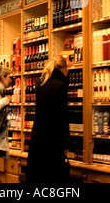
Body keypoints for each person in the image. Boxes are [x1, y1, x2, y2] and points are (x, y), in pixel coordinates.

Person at [26, 55, 70, 184]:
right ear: (64, 69)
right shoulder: (60, 85)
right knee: (52, 178)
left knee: (38, 177)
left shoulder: (40, 83)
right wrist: (66, 144)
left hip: (37, 138)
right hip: (53, 141)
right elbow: (62, 117)